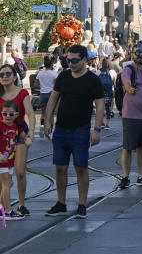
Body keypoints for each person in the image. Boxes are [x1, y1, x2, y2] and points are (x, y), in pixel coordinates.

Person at [42, 44, 104, 219]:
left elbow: (100, 105)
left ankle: (82, 205)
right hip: (61, 129)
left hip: (81, 130)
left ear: (84, 60)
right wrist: (47, 121)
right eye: (68, 60)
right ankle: (61, 203)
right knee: (60, 167)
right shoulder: (63, 76)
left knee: (81, 168)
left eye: (75, 60)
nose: (71, 63)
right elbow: (53, 99)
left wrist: (97, 129)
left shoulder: (92, 79)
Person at [0, 59, 35, 217]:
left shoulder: (22, 93)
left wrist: (31, 133)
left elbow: (30, 114)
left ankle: (21, 204)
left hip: (18, 134)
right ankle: (4, 207)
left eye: (8, 74)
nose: (4, 76)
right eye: (1, 74)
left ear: (14, 77)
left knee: (20, 172)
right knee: (3, 175)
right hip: (1, 136)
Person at [119, 42, 142, 189]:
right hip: (130, 114)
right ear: (132, 54)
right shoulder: (128, 69)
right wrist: (128, 88)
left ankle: (141, 176)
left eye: (141, 53)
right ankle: (125, 177)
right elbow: (125, 81)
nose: (139, 55)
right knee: (127, 147)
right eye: (136, 53)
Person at [1, 100, 29, 220]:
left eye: (11, 114)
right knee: (6, 184)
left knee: (7, 184)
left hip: (10, 161)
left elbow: (24, 136)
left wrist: (28, 139)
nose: (8, 116)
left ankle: (2, 208)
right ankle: (7, 211)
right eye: (5, 114)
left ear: (16, 115)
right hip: (1, 161)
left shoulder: (16, 126)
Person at [37, 55, 58, 131]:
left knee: (43, 113)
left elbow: (36, 84)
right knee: (51, 113)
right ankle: (50, 130)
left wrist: (42, 85)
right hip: (51, 94)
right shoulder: (54, 74)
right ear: (52, 64)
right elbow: (57, 85)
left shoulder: (40, 73)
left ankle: (42, 127)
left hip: (42, 94)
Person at [98, 57, 116, 129]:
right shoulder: (113, 72)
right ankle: (107, 125)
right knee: (108, 108)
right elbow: (114, 83)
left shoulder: (98, 72)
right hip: (109, 92)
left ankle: (101, 123)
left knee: (100, 108)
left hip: (100, 92)